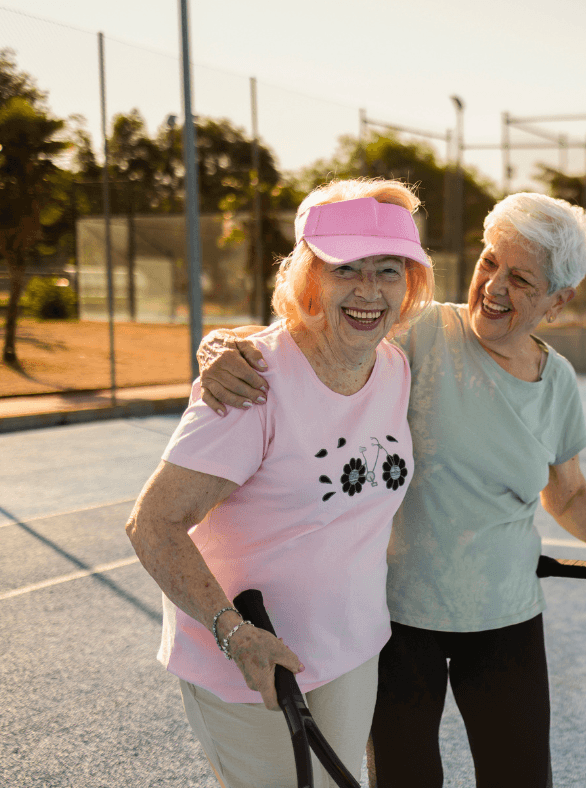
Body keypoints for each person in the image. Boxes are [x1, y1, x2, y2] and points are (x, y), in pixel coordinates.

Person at [198, 192, 586, 788]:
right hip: (396, 619)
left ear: (558, 301)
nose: (495, 286)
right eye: (490, 263)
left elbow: (567, 495)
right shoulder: (419, 332)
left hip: (507, 618)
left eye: (521, 279)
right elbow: (309, 338)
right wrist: (223, 343)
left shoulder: (556, 381)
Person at [125, 178, 434, 788]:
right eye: (346, 268)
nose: (369, 290)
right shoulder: (251, 381)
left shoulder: (393, 367)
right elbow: (152, 524)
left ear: (411, 283)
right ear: (309, 276)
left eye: (389, 269)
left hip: (351, 648)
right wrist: (236, 636)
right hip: (246, 660)